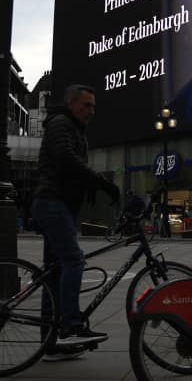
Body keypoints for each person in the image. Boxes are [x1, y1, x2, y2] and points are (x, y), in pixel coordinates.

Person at [30, 84, 120, 359]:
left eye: (94, 106)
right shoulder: (60, 123)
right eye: (86, 105)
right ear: (71, 104)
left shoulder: (71, 126)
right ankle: (70, 322)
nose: (91, 111)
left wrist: (88, 186)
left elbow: (68, 163)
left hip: (59, 203)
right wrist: (97, 180)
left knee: (54, 272)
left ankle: (50, 341)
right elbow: (64, 157)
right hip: (52, 202)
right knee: (73, 260)